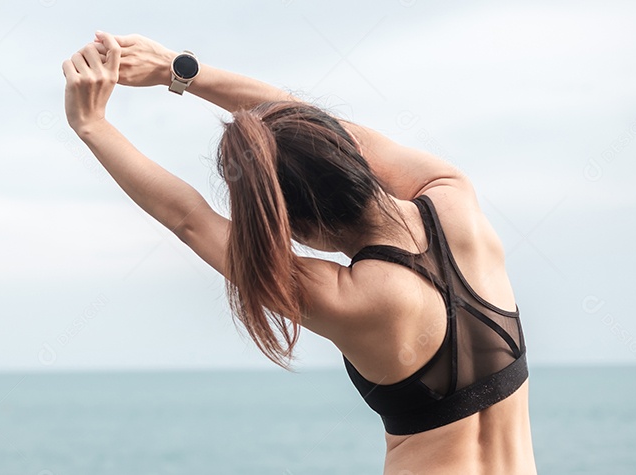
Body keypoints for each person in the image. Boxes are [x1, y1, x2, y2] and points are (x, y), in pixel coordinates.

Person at [62, 31, 537, 475]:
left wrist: (91, 124)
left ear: (302, 228)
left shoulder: (352, 299)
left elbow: (190, 220)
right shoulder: (452, 196)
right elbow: (320, 130)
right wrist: (177, 69)